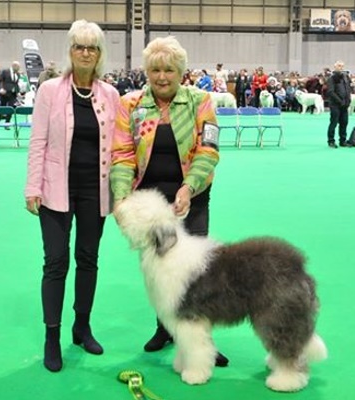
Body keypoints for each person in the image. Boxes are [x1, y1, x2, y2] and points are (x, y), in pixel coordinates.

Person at [110, 35, 228, 367]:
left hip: (191, 196)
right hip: (151, 203)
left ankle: (201, 340)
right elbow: (122, 154)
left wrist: (189, 188)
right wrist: (121, 197)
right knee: (160, 270)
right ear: (147, 71)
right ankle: (165, 329)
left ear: (181, 71)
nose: (162, 77)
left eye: (169, 70)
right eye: (155, 70)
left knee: (197, 274)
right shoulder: (131, 104)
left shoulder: (200, 101)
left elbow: (208, 150)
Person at [24, 20, 120, 373]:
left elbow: (119, 145)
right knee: (55, 262)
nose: (85, 53)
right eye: (80, 46)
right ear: (70, 51)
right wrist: (32, 186)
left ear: (99, 54)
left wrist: (122, 191)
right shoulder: (49, 90)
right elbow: (38, 141)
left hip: (96, 189)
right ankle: (52, 335)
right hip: (54, 189)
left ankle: (82, 327)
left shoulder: (110, 95)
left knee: (88, 259)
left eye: (92, 48)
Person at [326, 60, 352, 148]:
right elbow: (330, 92)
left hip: (345, 105)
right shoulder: (331, 78)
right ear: (335, 67)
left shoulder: (346, 77)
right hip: (335, 105)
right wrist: (340, 101)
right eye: (339, 66)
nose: (341, 67)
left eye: (342, 66)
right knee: (334, 123)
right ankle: (331, 141)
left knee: (344, 122)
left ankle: (343, 141)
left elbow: (348, 89)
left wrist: (348, 100)